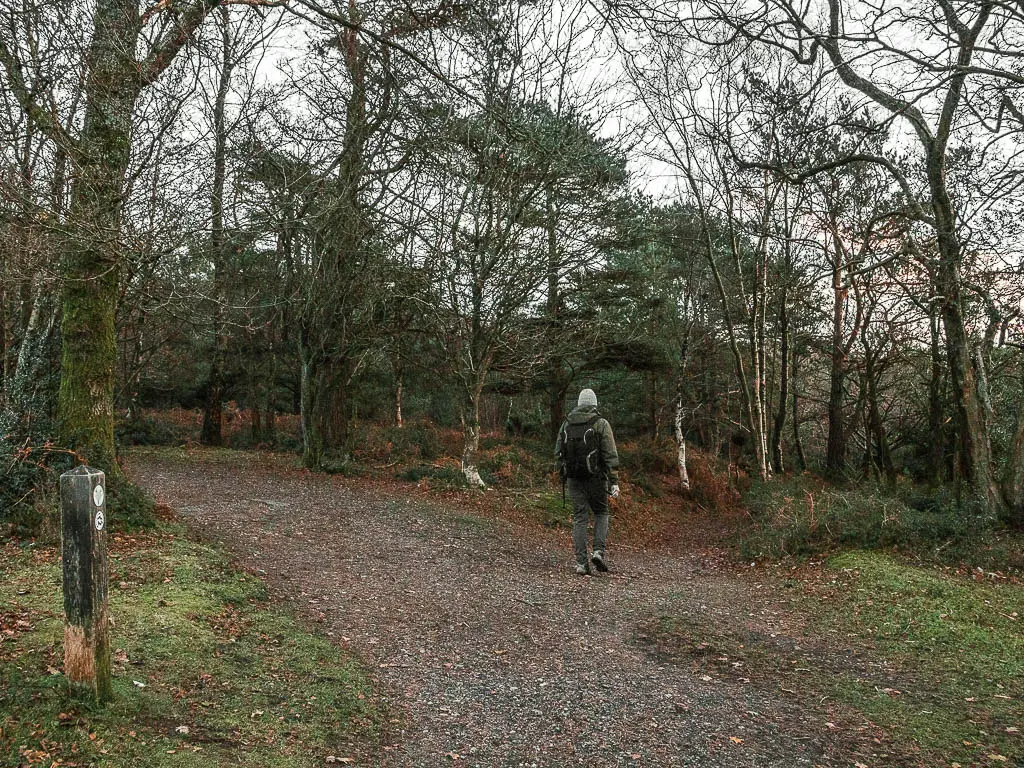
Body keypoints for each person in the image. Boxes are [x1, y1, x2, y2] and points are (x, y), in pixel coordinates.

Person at [554, 388, 620, 575]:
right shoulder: (601, 424)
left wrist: (561, 472)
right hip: (596, 479)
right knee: (601, 512)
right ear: (594, 404)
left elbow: (558, 451)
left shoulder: (566, 423)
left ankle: (581, 563)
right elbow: (610, 455)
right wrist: (614, 481)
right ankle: (598, 551)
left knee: (580, 518)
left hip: (573, 478)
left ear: (579, 404)